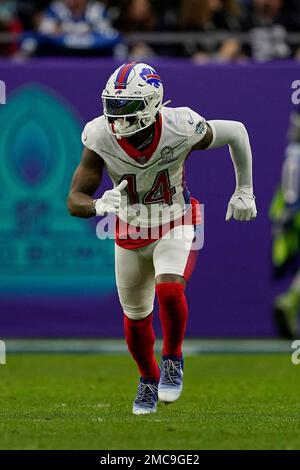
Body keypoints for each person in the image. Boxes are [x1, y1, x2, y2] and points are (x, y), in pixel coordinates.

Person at [67, 62, 257, 415]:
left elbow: (236, 131)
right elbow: (74, 199)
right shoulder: (99, 134)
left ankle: (172, 358)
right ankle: (147, 379)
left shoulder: (178, 125)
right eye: (113, 106)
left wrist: (244, 190)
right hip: (129, 229)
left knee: (169, 288)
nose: (117, 118)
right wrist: (95, 205)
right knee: (136, 316)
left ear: (152, 103)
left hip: (176, 220)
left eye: (127, 108)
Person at [270, 107, 300, 338]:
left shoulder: (293, 151)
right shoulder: (295, 153)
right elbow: (291, 194)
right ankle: (289, 302)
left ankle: (290, 303)